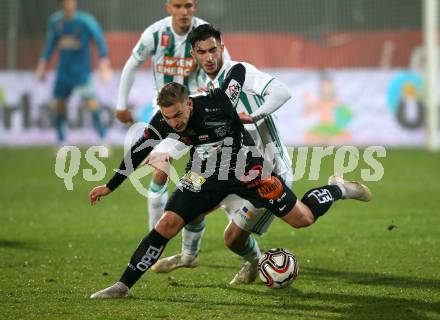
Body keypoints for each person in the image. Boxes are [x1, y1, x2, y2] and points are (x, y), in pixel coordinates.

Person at [88, 63, 372, 299]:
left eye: (177, 115)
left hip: (249, 172)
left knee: (303, 219)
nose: (173, 122)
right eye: (167, 117)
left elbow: (237, 70)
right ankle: (123, 285)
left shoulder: (217, 104)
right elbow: (139, 150)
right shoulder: (162, 122)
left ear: (189, 104)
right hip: (204, 175)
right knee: (167, 224)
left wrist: (228, 83)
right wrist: (109, 186)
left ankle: (339, 187)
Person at [151, 24, 294, 284]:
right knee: (192, 205)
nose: (208, 57)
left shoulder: (242, 72)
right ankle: (188, 256)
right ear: (194, 54)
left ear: (222, 48)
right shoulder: (209, 87)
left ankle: (339, 190)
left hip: (267, 172)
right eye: (202, 52)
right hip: (230, 169)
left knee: (234, 238)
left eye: (213, 50)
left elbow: (283, 92)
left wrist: (254, 116)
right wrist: (166, 151)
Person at [114, 0, 230, 231]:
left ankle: (185, 248)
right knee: (162, 167)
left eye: (188, 5)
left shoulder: (204, 34)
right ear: (169, 7)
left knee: (208, 176)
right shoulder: (155, 34)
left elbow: (226, 66)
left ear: (195, 6)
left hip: (198, 112)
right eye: (178, 6)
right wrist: (121, 104)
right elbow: (131, 64)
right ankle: (155, 238)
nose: (183, 11)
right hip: (166, 113)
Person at [36, 0, 111, 146]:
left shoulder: (85, 21)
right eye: (66, 2)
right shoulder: (56, 22)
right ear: (61, 4)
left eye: (72, 2)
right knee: (59, 105)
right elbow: (50, 44)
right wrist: (42, 65)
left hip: (82, 73)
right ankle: (61, 141)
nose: (70, 5)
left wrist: (104, 63)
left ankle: (103, 139)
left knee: (92, 104)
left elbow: (99, 40)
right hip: (63, 73)